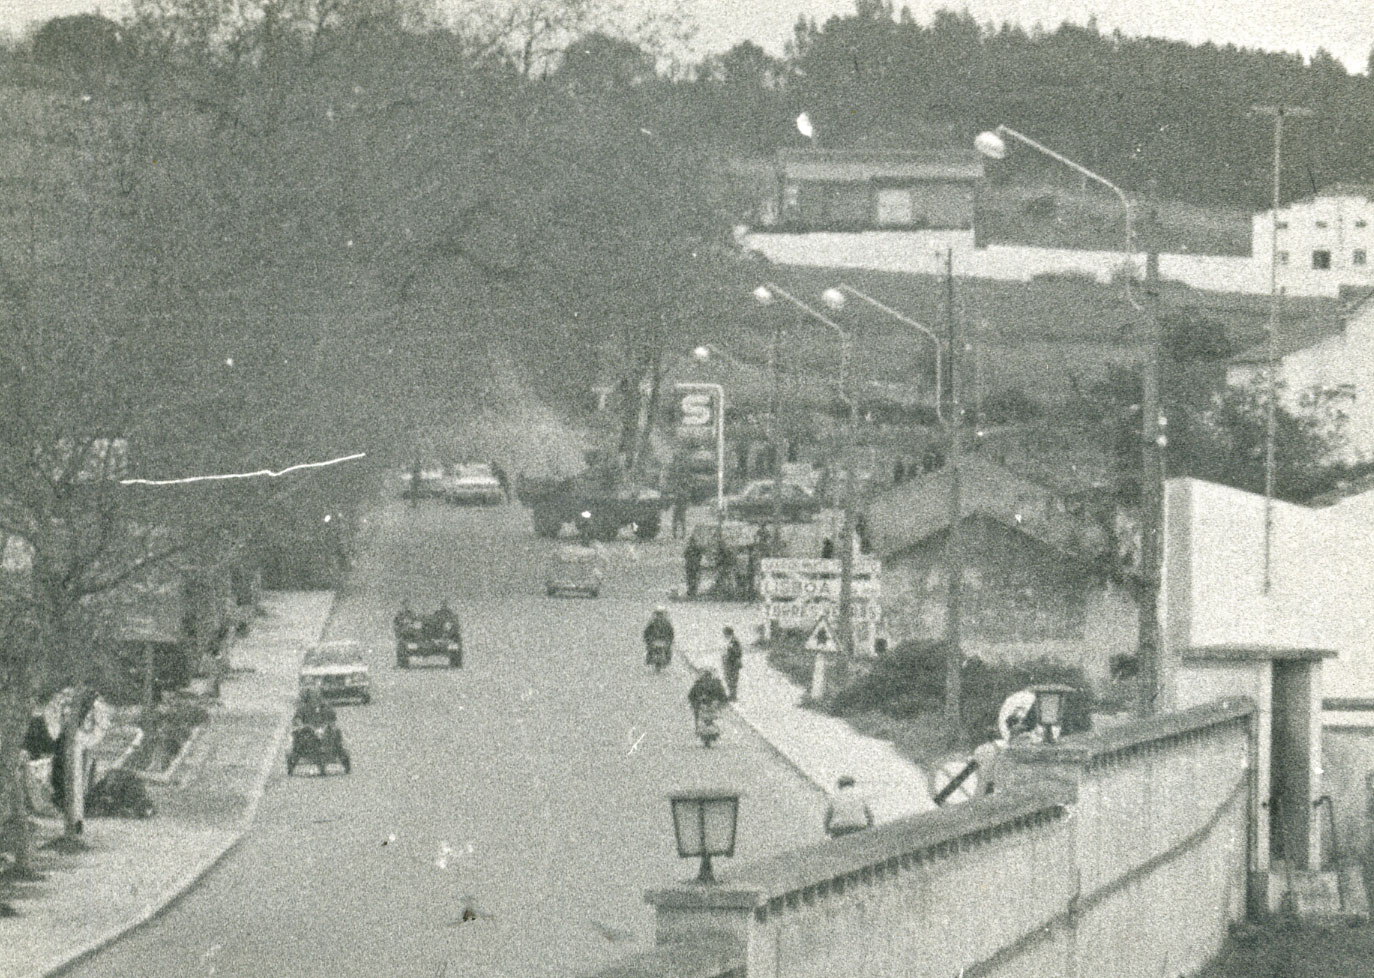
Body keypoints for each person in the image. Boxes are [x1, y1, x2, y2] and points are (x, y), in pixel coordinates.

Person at [722, 627, 743, 702]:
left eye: (725, 634)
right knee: (729, 679)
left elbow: (737, 653)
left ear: (728, 633)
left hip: (732, 664)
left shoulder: (734, 641)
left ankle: (733, 696)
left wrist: (727, 657)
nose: (724, 636)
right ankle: (732, 695)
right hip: (729, 664)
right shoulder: (731, 641)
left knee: (732, 679)